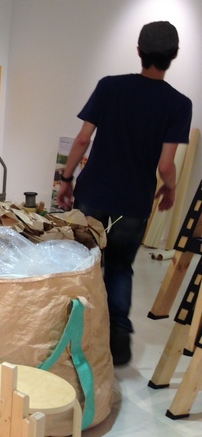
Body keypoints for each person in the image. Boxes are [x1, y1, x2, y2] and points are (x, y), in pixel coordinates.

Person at [57, 20, 192, 366]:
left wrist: (66, 178)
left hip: (93, 194)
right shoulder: (179, 104)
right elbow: (166, 166)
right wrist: (170, 189)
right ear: (174, 55)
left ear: (139, 51)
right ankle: (118, 333)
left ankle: (74, 331)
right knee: (119, 267)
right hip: (133, 203)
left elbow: (83, 139)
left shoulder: (110, 87)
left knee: (84, 262)